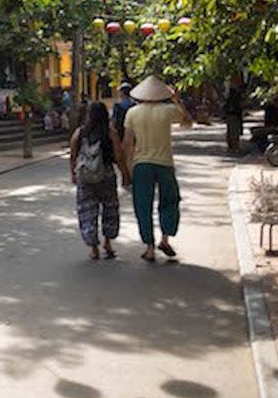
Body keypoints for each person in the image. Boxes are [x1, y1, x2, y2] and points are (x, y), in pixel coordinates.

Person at [122, 76, 193, 262]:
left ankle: (149, 248)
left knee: (143, 205)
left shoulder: (132, 113)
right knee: (170, 200)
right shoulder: (168, 110)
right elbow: (187, 122)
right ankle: (165, 239)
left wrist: (128, 169)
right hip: (164, 164)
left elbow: (127, 143)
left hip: (141, 164)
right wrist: (176, 99)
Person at [70, 102, 131, 260]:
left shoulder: (80, 132)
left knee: (87, 211)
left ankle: (93, 248)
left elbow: (73, 154)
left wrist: (73, 173)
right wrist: (125, 174)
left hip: (85, 178)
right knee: (110, 210)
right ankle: (108, 243)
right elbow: (118, 156)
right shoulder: (110, 133)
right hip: (106, 175)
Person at [224, 82, 243, 153]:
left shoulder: (230, 97)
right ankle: (235, 147)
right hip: (234, 115)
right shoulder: (236, 97)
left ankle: (231, 147)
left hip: (230, 115)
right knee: (234, 132)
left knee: (230, 132)